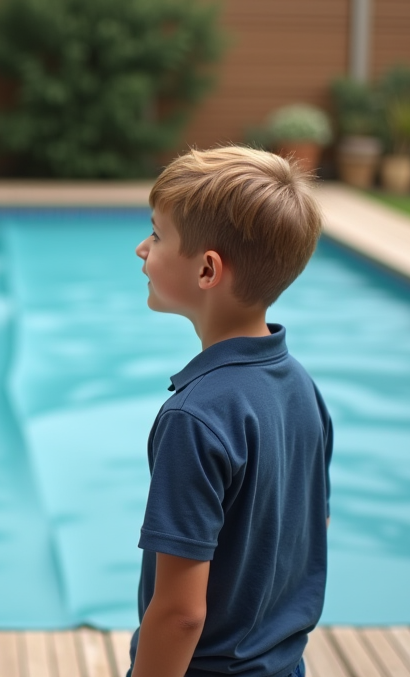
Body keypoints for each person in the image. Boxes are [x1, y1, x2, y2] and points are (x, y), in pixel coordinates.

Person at [129, 146, 333, 677]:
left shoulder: (194, 419)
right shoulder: (301, 388)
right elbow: (311, 531)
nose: (141, 249)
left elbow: (179, 615)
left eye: (156, 235)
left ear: (207, 269)